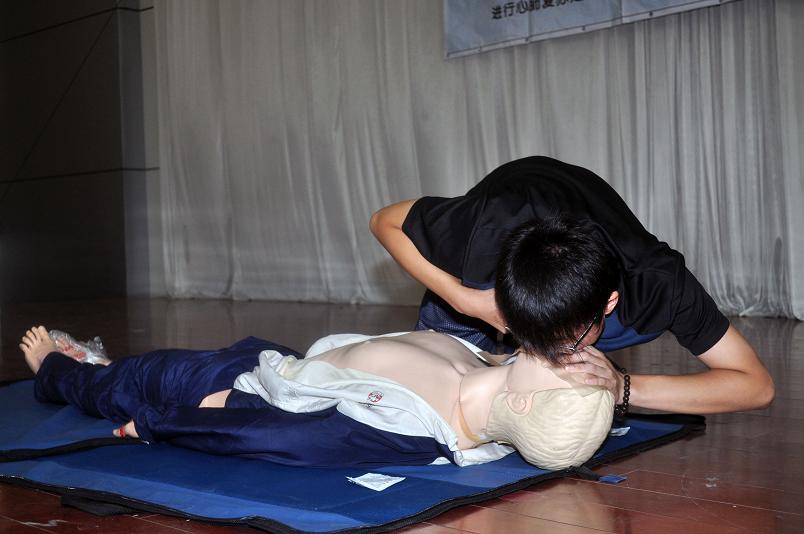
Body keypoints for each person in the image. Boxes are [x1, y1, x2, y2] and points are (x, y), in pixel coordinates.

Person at [370, 155, 775, 416]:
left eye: (564, 339)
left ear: (608, 303)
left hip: (589, 288)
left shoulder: (658, 284)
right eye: (528, 333)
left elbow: (755, 385)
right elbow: (383, 222)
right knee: (426, 399)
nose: (547, 354)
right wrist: (464, 300)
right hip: (481, 291)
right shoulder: (483, 233)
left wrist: (625, 387)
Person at [19, 325, 614, 471]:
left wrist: (160, 424)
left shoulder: (406, 427)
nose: (577, 359)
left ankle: (56, 372)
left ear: (525, 405)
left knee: (130, 382)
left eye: (571, 374)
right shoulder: (496, 366)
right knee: (135, 373)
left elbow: (279, 438)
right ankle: (104, 371)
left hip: (231, 390)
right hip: (289, 363)